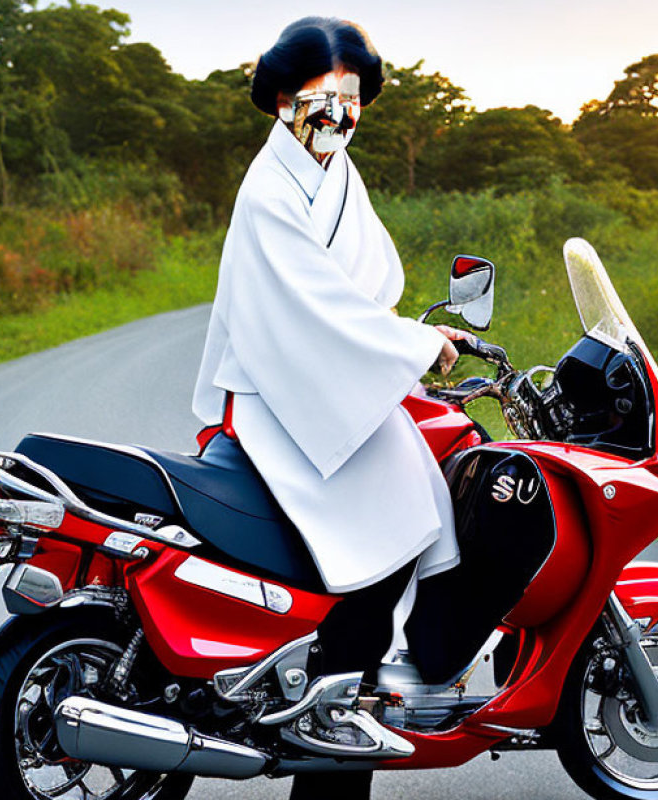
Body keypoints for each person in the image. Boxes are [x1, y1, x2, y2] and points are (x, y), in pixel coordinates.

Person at [191, 16, 466, 799]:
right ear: (282, 97)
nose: (338, 114)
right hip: (279, 400)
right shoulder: (268, 189)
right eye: (321, 98)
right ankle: (332, 709)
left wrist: (403, 337)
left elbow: (359, 291)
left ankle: (351, 694)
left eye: (352, 99)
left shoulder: (338, 172)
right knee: (381, 539)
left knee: (420, 509)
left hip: (326, 386)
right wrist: (409, 350)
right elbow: (310, 305)